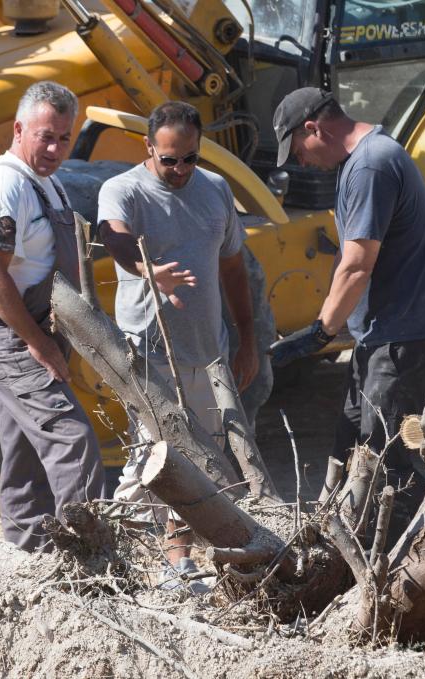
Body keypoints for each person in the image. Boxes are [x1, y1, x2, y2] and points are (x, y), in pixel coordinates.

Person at [269, 87, 425, 535]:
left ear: (314, 128)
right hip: (383, 337)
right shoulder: (361, 162)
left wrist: (320, 332)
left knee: (393, 462)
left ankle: (404, 576)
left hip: (404, 339)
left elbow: (356, 266)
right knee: (352, 444)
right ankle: (338, 547)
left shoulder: (370, 165)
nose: (301, 162)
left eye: (298, 149)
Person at [97, 100, 258, 578]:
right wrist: (148, 270)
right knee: (151, 458)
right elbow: (115, 238)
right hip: (149, 353)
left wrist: (247, 337)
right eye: (169, 159)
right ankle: (111, 556)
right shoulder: (122, 190)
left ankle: (181, 562)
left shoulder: (215, 190)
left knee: (201, 460)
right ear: (149, 147)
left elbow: (233, 265)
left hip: (207, 352)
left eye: (191, 158)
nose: (181, 169)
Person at [0, 81, 105, 552]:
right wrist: (38, 343)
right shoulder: (6, 185)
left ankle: (27, 557)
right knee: (73, 443)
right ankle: (88, 563)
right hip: (12, 336)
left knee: (25, 455)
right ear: (19, 129)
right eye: (45, 136)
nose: (54, 148)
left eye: (64, 138)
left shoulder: (46, 182)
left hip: (36, 331)